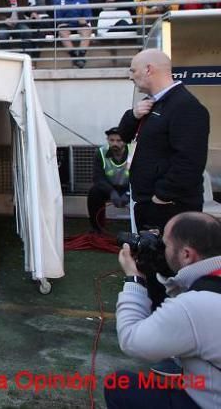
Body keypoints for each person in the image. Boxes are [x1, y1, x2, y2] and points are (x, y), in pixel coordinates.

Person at [117, 49, 210, 305]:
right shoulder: (154, 104)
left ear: (149, 69)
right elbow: (122, 135)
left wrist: (161, 196)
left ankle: (167, 320)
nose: (131, 77)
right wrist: (133, 115)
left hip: (168, 208)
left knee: (167, 268)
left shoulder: (187, 107)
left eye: (133, 70)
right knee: (150, 262)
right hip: (148, 204)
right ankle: (153, 310)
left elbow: (189, 162)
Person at [105, 212, 221, 409]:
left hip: (209, 401)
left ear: (186, 254)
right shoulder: (209, 286)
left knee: (118, 384)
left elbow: (132, 340)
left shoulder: (195, 305)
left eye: (164, 243)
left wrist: (134, 279)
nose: (160, 247)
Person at [87, 127, 130, 233]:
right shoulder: (101, 153)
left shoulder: (134, 152)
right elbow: (98, 178)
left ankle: (141, 228)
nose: (115, 143)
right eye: (111, 140)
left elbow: (141, 177)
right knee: (94, 192)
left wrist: (129, 193)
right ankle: (97, 228)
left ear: (125, 141)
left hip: (130, 188)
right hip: (110, 188)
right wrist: (111, 192)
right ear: (107, 140)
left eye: (119, 140)